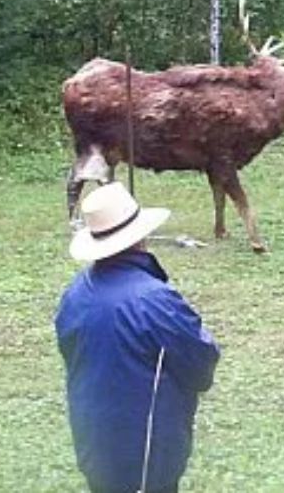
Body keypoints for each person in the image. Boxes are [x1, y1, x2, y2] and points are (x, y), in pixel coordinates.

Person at [55, 182, 220, 493]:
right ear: (141, 236)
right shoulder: (155, 301)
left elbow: (69, 350)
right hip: (144, 456)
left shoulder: (75, 293)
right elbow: (201, 364)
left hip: (93, 443)